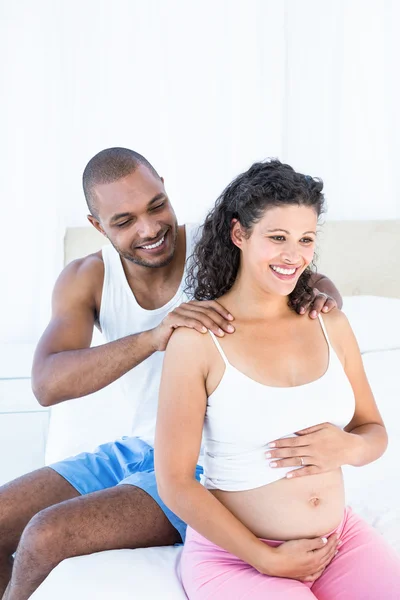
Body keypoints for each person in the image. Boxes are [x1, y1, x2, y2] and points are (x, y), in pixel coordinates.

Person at [0, 149, 341, 600]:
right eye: (123, 221)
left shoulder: (220, 246)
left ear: (164, 185)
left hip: (207, 465)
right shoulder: (86, 277)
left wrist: (323, 298)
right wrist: (155, 336)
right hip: (138, 449)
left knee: (46, 535)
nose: (149, 229)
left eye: (156, 205)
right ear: (97, 225)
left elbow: (309, 281)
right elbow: (47, 383)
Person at [155, 159, 400, 599]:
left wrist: (350, 447)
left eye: (305, 240)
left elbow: (374, 431)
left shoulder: (330, 322)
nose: (294, 256)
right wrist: (264, 557)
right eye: (277, 237)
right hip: (236, 557)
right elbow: (175, 481)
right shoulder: (197, 341)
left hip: (336, 543)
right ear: (239, 234)